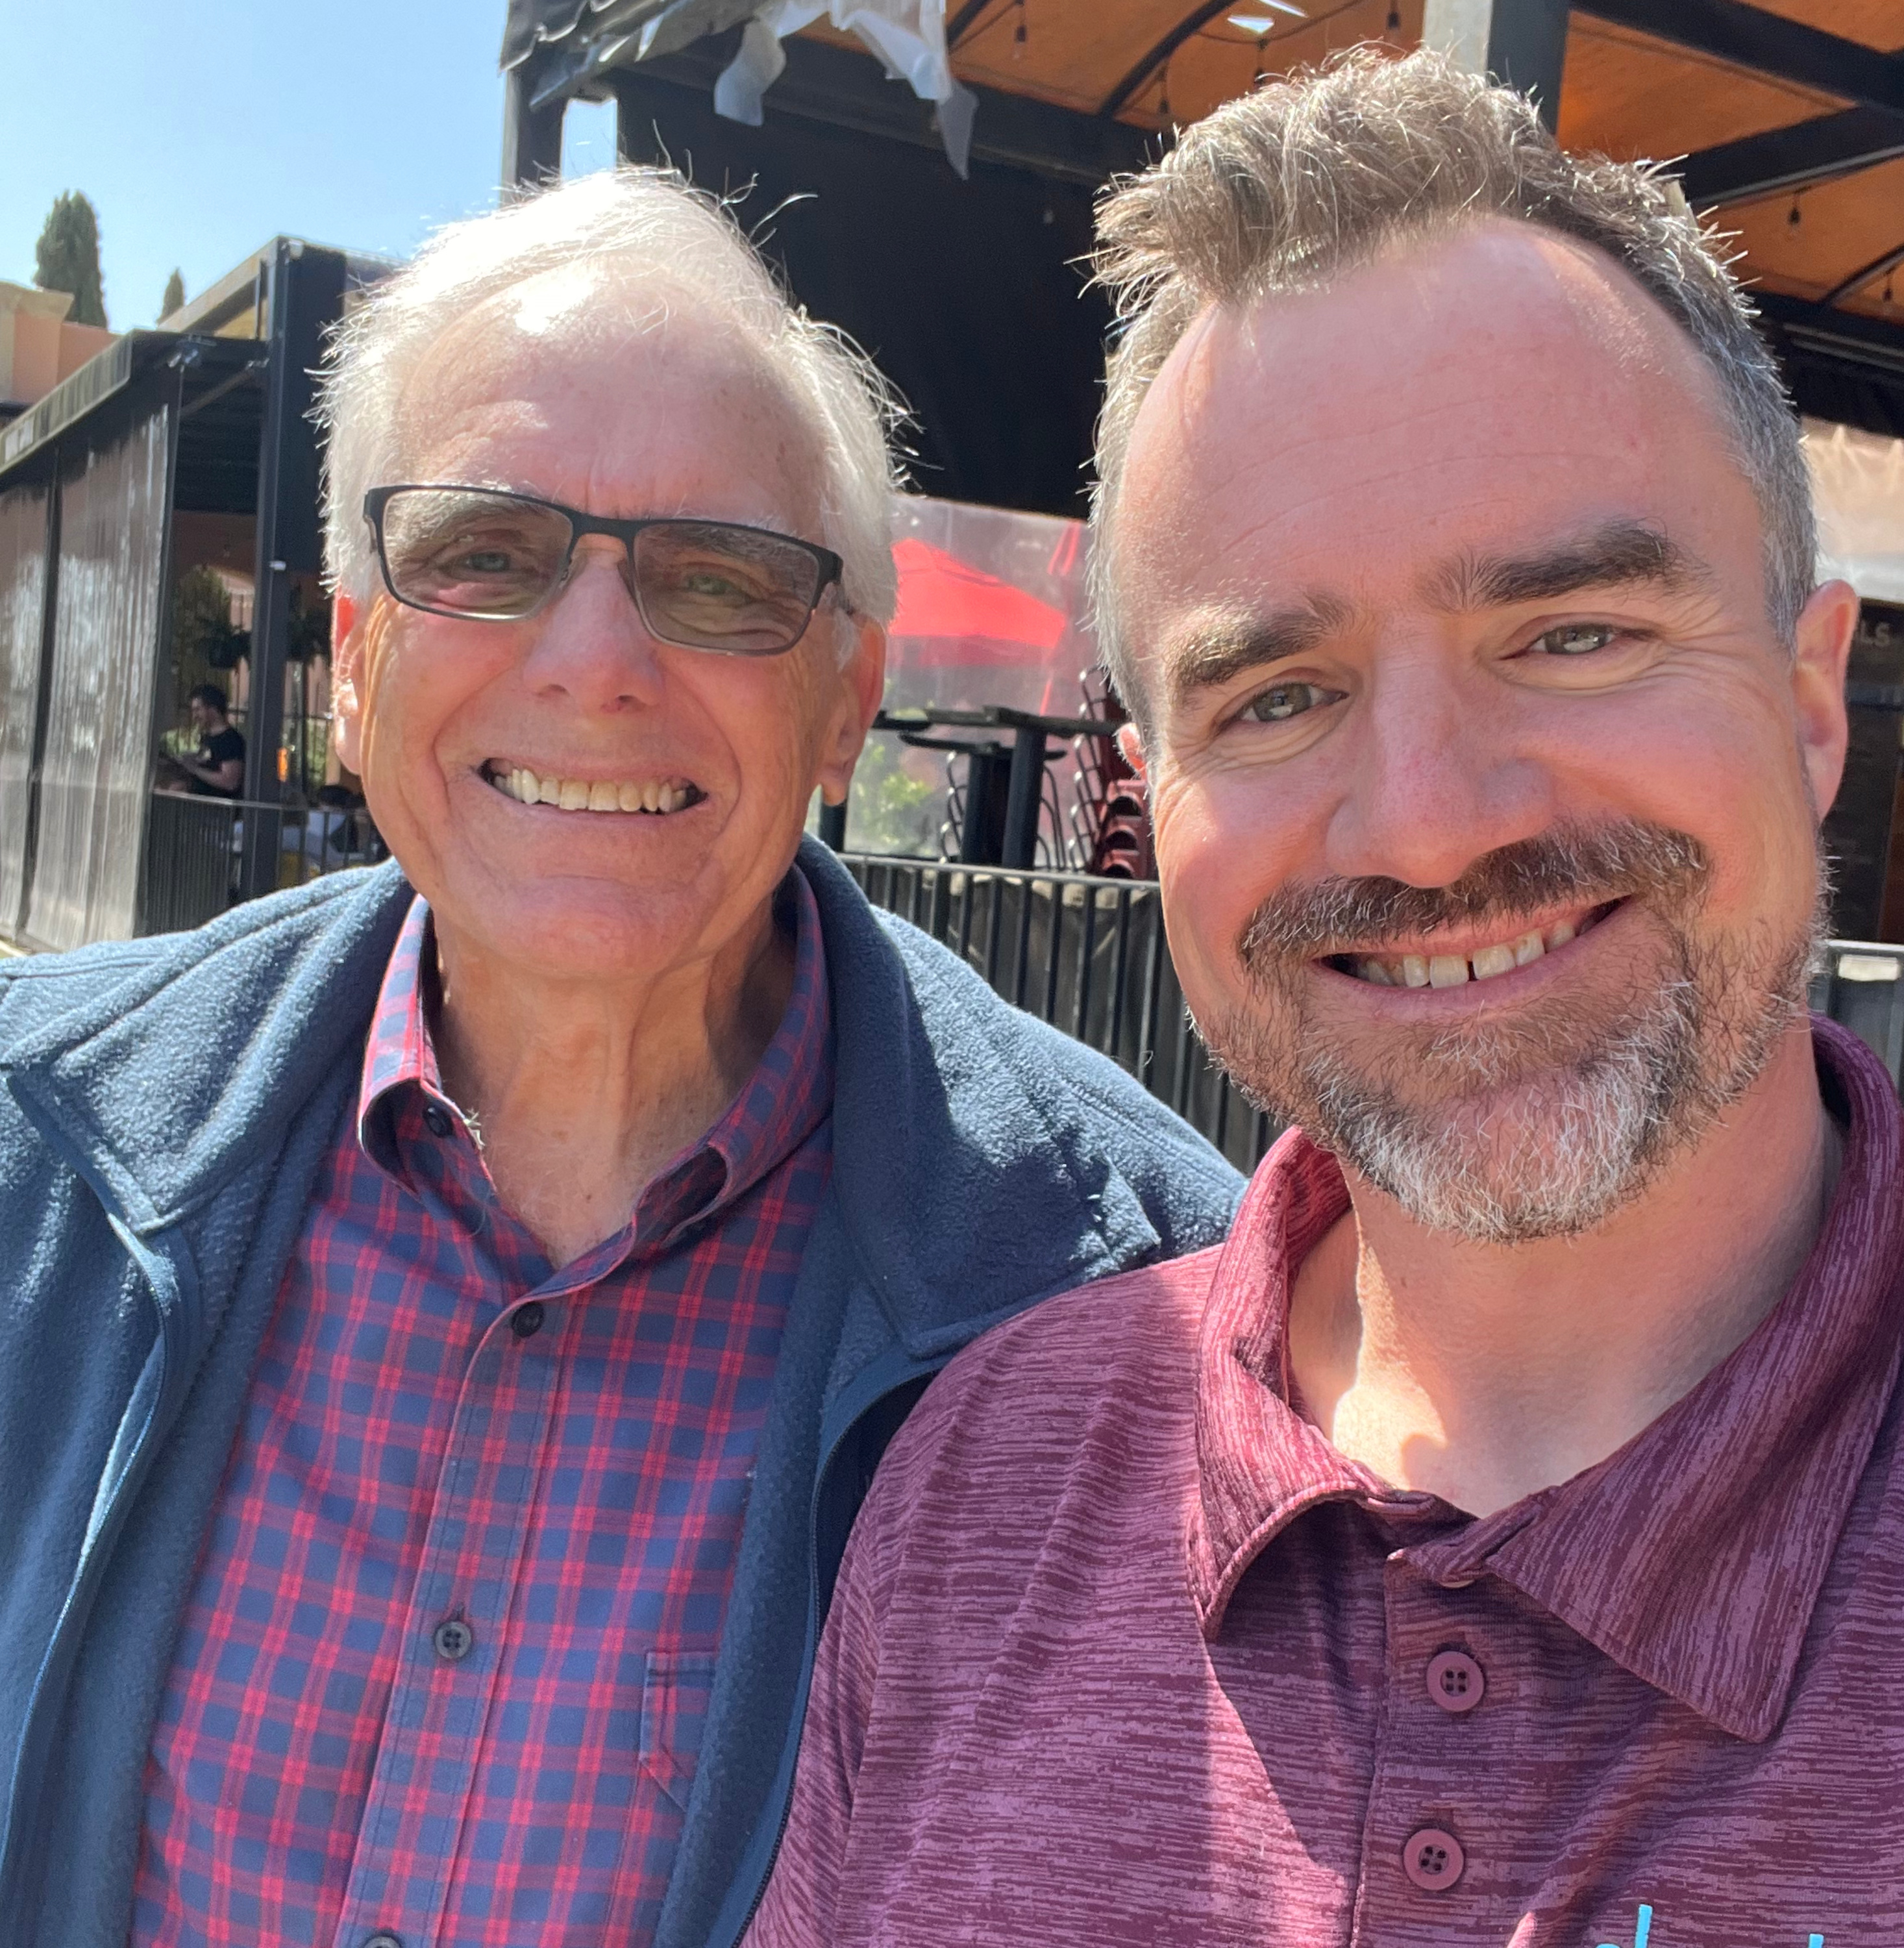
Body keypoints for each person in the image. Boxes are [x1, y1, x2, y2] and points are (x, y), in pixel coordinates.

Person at [745, 50, 1904, 1948]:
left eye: (1570, 633)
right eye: (1276, 695)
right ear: (1151, 794)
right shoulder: (985, 1479)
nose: (1428, 820)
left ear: (1811, 706)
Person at [0, 170, 1240, 1948]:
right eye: (484, 554)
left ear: (846, 702)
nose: (593, 662)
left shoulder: (1143, 1313)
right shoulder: (32, 1152)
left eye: (718, 579)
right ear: (354, 662)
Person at [172, 682, 245, 797]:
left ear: (213, 709)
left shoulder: (231, 740)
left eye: (198, 710)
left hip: (217, 806)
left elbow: (230, 782)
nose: (194, 716)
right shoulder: (205, 737)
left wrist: (195, 769)